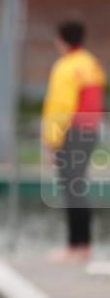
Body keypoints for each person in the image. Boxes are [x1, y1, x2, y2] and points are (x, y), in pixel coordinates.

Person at [42, 20, 106, 263]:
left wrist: (52, 141)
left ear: (62, 40)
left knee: (72, 188)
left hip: (72, 131)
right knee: (78, 185)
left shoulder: (65, 67)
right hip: (91, 130)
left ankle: (76, 247)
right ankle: (83, 246)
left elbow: (61, 107)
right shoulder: (92, 64)